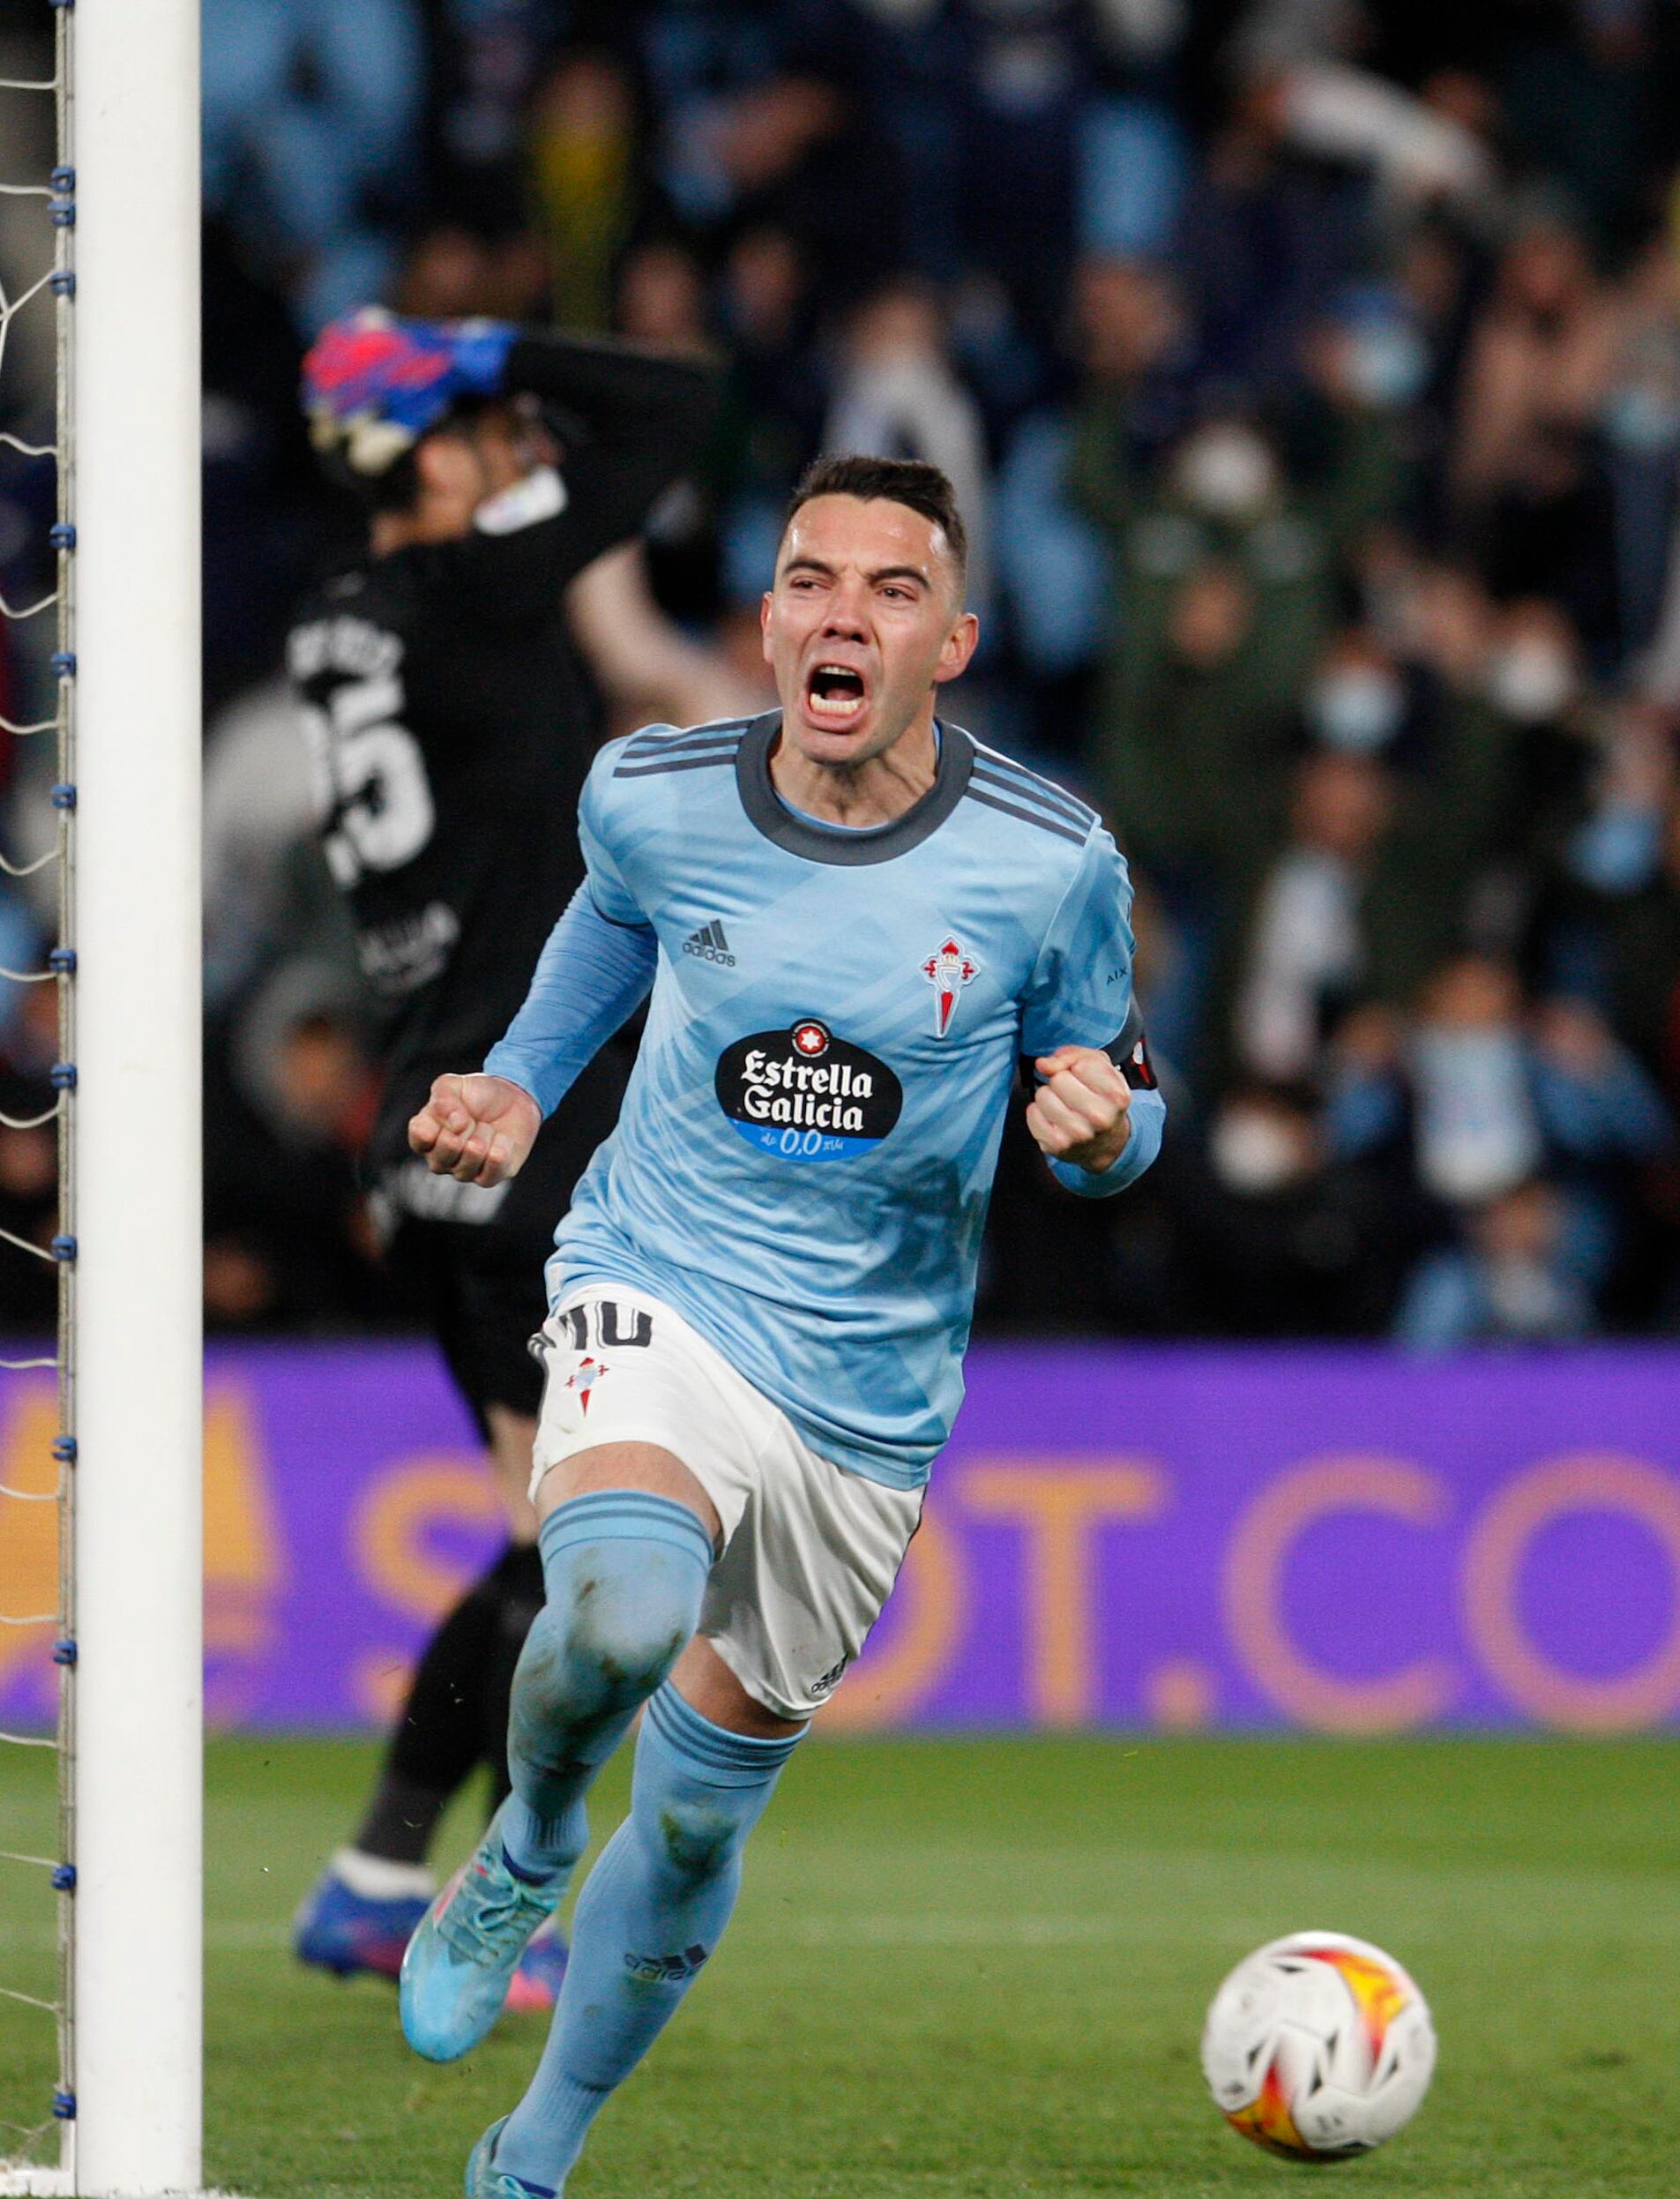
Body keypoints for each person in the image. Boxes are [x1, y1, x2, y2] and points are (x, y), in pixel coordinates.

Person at [395, 453, 1168, 2195]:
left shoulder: (1048, 864)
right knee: (617, 1608)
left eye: (888, 589)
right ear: (763, 626)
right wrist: (520, 1086)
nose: (842, 613)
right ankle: (519, 1834)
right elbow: (608, 931)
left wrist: (1110, 1133)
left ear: (948, 640)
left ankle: (541, 2141)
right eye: (810, 578)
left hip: (869, 1390)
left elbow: (1124, 1092)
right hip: (657, 1272)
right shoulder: (648, 790)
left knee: (693, 1809)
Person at [286, 308, 720, 2001]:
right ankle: (455, 1893)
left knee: (557, 1544)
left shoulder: (344, 617)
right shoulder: (468, 583)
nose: (515, 448)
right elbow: (673, 400)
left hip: (435, 1134)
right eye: (480, 430)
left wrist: (452, 391)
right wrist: (483, 341)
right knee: (595, 1556)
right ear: (421, 461)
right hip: (523, 1136)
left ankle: (378, 1875)